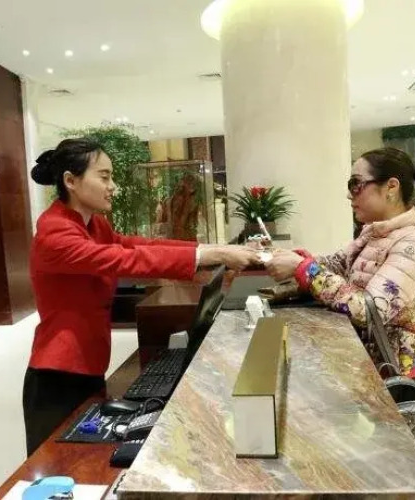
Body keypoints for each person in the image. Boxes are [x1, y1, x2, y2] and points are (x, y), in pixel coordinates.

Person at [24, 138, 258, 455]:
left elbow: (138, 245)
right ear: (71, 181)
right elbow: (127, 260)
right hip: (57, 375)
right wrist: (212, 254)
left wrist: (212, 252)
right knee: (59, 465)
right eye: (104, 177)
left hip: (88, 363)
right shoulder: (55, 231)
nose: (113, 186)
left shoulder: (95, 225)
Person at [265, 147, 415, 396]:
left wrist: (304, 269)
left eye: (356, 184)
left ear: (391, 187)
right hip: (365, 368)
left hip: (394, 379)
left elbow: (368, 310)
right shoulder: (377, 231)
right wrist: (299, 260)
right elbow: (338, 263)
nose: (350, 195)